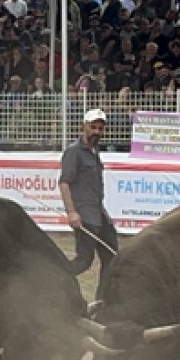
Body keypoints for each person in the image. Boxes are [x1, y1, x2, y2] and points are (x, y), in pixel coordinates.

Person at [59, 108, 118, 296]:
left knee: (112, 257)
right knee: (84, 261)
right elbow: (64, 183)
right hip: (85, 215)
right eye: (93, 127)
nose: (97, 132)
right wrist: (72, 213)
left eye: (100, 129)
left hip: (99, 213)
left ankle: (102, 300)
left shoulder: (95, 151)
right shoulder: (74, 152)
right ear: (84, 126)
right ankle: (53, 281)